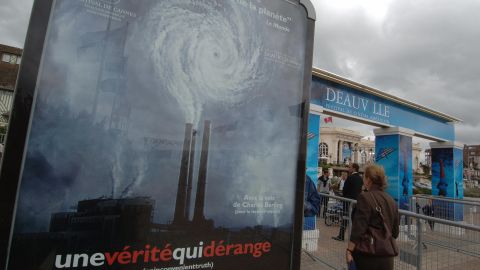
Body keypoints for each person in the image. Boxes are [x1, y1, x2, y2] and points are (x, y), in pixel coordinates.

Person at [346, 164, 399, 270]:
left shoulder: (364, 197)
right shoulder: (391, 201)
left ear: (369, 179)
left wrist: (349, 250)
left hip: (367, 254)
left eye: (364, 177)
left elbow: (359, 228)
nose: (363, 180)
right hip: (387, 256)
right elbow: (395, 232)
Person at [333, 163, 363, 241]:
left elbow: (345, 190)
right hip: (356, 201)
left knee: (345, 218)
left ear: (354, 169)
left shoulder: (350, 178)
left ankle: (341, 235)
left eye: (349, 167)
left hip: (348, 201)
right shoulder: (360, 178)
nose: (348, 169)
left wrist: (344, 196)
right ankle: (354, 238)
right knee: (354, 219)